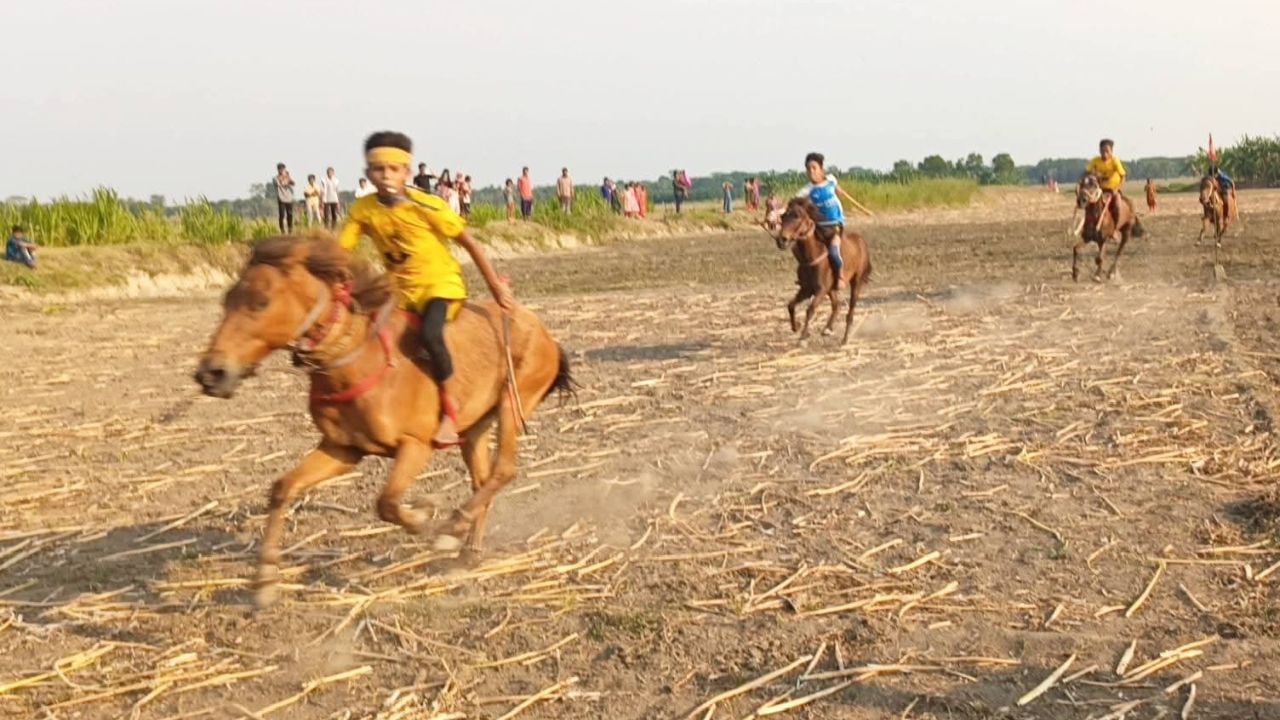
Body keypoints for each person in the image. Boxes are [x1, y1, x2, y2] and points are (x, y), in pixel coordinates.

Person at [338, 130, 514, 447]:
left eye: (394, 169)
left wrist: (496, 288)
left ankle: (451, 411)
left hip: (440, 287)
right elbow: (341, 252)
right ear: (368, 174)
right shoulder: (363, 210)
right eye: (379, 170)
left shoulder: (426, 205)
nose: (386, 176)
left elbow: (469, 242)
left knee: (432, 335)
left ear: (407, 172)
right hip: (400, 293)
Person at [795, 152, 873, 287]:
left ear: (821, 169)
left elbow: (838, 190)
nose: (811, 172)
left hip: (835, 224)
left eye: (814, 168)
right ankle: (807, 277)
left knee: (834, 250)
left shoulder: (831, 180)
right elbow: (792, 204)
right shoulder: (806, 191)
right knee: (800, 248)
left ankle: (840, 276)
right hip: (819, 226)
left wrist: (839, 191)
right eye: (808, 169)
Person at [1085, 139, 1127, 224]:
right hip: (1099, 190)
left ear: (1111, 151)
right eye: (1102, 151)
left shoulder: (1115, 161)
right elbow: (1087, 172)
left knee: (1117, 206)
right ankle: (1088, 225)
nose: (1104, 154)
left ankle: (1116, 227)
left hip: (1113, 190)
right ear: (1099, 150)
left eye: (1107, 151)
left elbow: (1123, 176)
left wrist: (1117, 188)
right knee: (1088, 204)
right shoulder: (1095, 160)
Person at [271, 163, 296, 233]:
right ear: (278, 170)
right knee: (282, 214)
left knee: (290, 214)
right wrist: (284, 177)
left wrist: (288, 177)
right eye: (281, 169)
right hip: (281, 198)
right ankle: (282, 230)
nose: (282, 170)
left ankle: (290, 229)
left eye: (283, 169)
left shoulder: (288, 177)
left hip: (289, 198)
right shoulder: (275, 178)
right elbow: (282, 183)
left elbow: (293, 183)